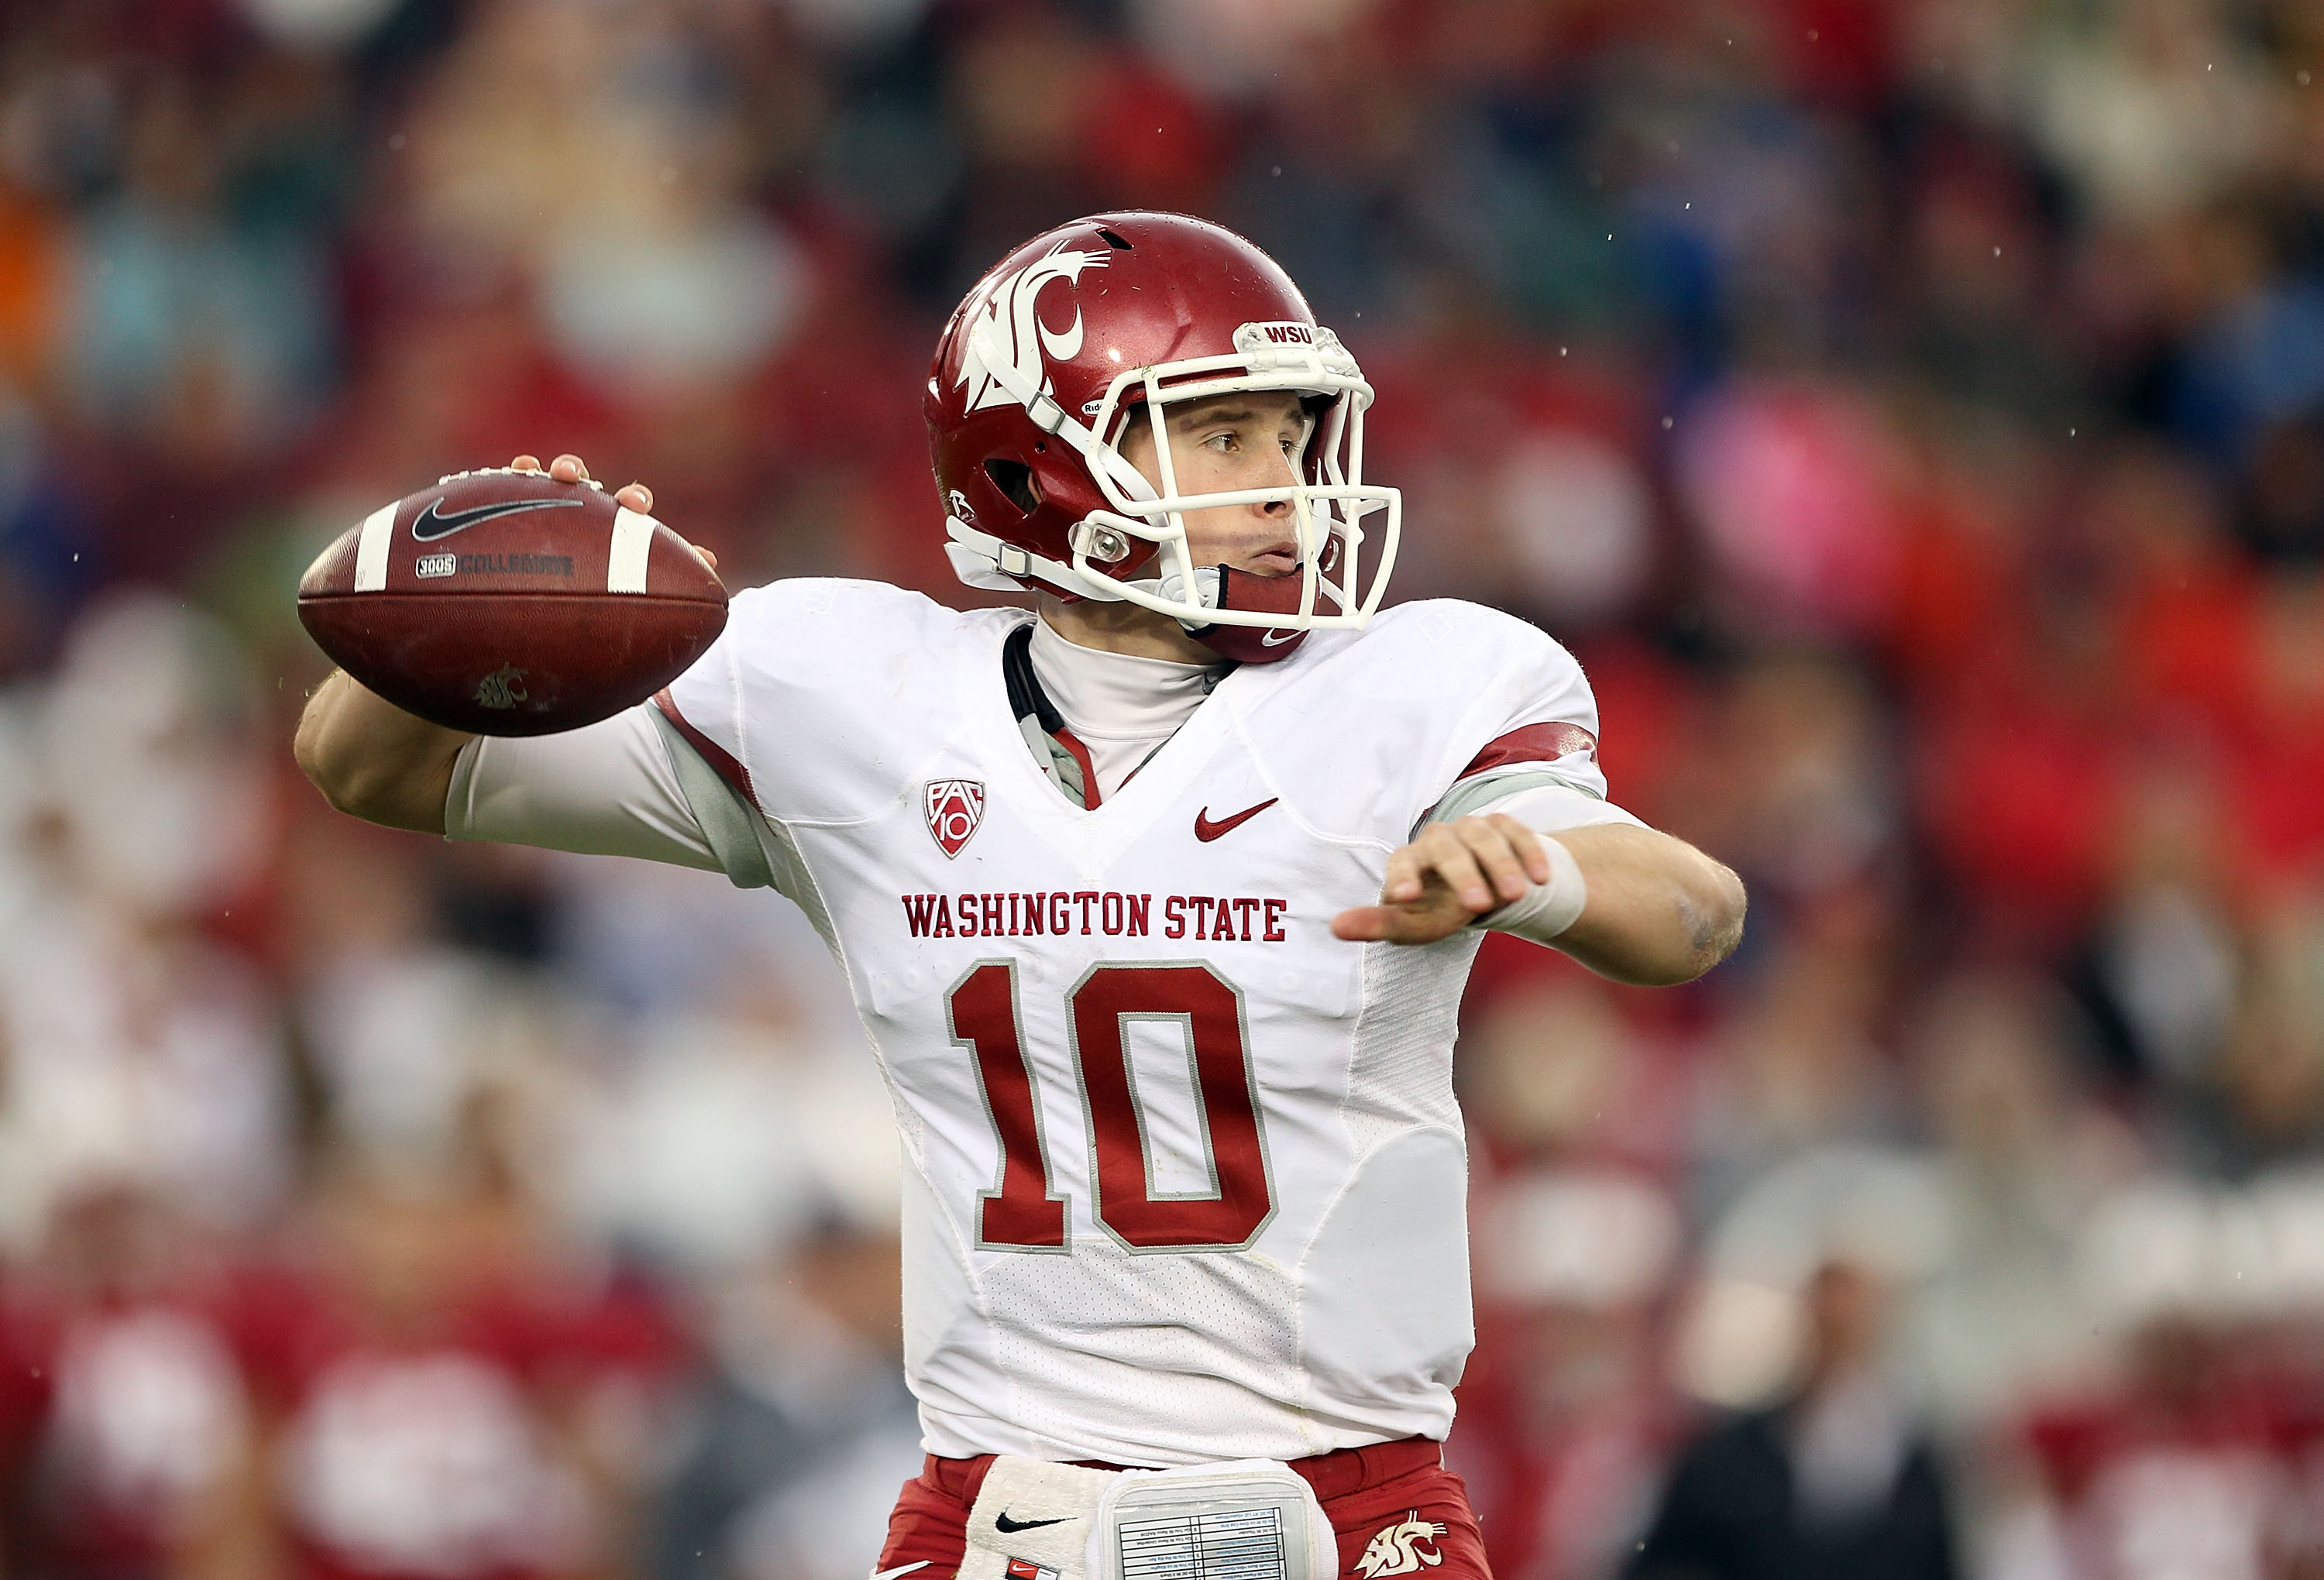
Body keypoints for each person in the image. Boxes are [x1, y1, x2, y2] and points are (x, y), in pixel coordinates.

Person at [295, 211, 1745, 1580]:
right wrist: (490, 607)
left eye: (1291, 439)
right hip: (1001, 1517)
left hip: (1345, 1519)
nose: (1284, 488)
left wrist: (1531, 864)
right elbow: (370, 770)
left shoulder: (1411, 688)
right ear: (1032, 464)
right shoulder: (846, 693)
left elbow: (1691, 916)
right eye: (1220, 434)